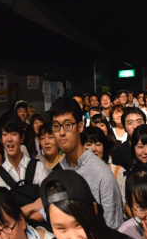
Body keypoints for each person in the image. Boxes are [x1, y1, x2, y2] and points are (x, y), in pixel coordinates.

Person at [50, 97, 124, 229]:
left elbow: (114, 229)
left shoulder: (102, 174)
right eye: (56, 126)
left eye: (67, 125)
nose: (61, 133)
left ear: (80, 127)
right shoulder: (57, 172)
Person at [0, 116, 50, 223]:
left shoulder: (38, 167)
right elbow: (4, 214)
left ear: (22, 138)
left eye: (14, 134)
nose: (9, 139)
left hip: (43, 228)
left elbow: (49, 204)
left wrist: (18, 215)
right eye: (5, 134)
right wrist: (33, 206)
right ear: (1, 140)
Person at [82, 126, 127, 206]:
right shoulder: (76, 172)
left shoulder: (118, 172)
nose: (93, 149)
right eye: (88, 144)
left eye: (98, 144)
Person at [111, 107, 146, 171]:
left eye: (139, 122)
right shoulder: (119, 152)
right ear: (124, 128)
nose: (135, 126)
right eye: (130, 123)